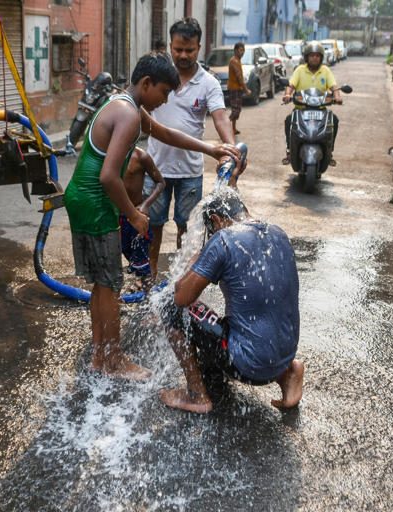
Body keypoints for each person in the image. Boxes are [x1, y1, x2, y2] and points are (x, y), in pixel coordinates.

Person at [63, 53, 239, 379]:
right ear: (146, 83)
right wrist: (132, 214)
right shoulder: (128, 115)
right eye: (163, 92)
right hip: (95, 201)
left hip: (82, 199)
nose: (165, 100)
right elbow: (108, 176)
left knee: (102, 284)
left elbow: (166, 133)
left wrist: (210, 149)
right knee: (111, 284)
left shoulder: (123, 105)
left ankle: (101, 357)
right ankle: (113, 360)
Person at [158, 190, 303, 413]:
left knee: (169, 305)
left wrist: (194, 262)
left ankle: (196, 395)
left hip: (249, 366)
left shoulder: (224, 239)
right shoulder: (278, 232)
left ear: (216, 220)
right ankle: (287, 374)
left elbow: (181, 297)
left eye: (211, 228)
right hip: (285, 354)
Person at [145, 18, 236, 280]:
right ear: (170, 46)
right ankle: (149, 275)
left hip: (189, 172)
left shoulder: (208, 83)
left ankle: (182, 279)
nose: (183, 55)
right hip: (156, 168)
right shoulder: (157, 78)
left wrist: (229, 149)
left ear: (199, 48)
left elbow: (220, 117)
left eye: (190, 50)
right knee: (153, 225)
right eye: (178, 49)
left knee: (187, 228)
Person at [282, 41, 342, 166]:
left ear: (321, 57)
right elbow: (291, 84)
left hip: (321, 109)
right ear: (307, 57)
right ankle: (289, 150)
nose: (315, 58)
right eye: (312, 55)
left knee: (334, 120)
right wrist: (287, 95)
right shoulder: (300, 70)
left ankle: (329, 151)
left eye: (317, 55)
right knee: (289, 120)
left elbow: (334, 86)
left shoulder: (325, 70)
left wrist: (337, 97)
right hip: (301, 108)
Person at [119, 147, 165, 291]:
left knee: (141, 254)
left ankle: (146, 287)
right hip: (115, 215)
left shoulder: (141, 156)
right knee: (124, 250)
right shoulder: (109, 154)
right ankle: (140, 280)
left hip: (136, 216)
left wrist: (145, 205)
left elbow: (161, 182)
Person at [227, 42, 251, 136]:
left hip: (237, 88)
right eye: (240, 50)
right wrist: (246, 90)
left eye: (243, 50)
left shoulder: (237, 60)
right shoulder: (234, 61)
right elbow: (239, 77)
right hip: (234, 89)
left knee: (236, 109)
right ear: (235, 50)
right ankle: (226, 126)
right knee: (235, 110)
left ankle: (233, 128)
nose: (242, 52)